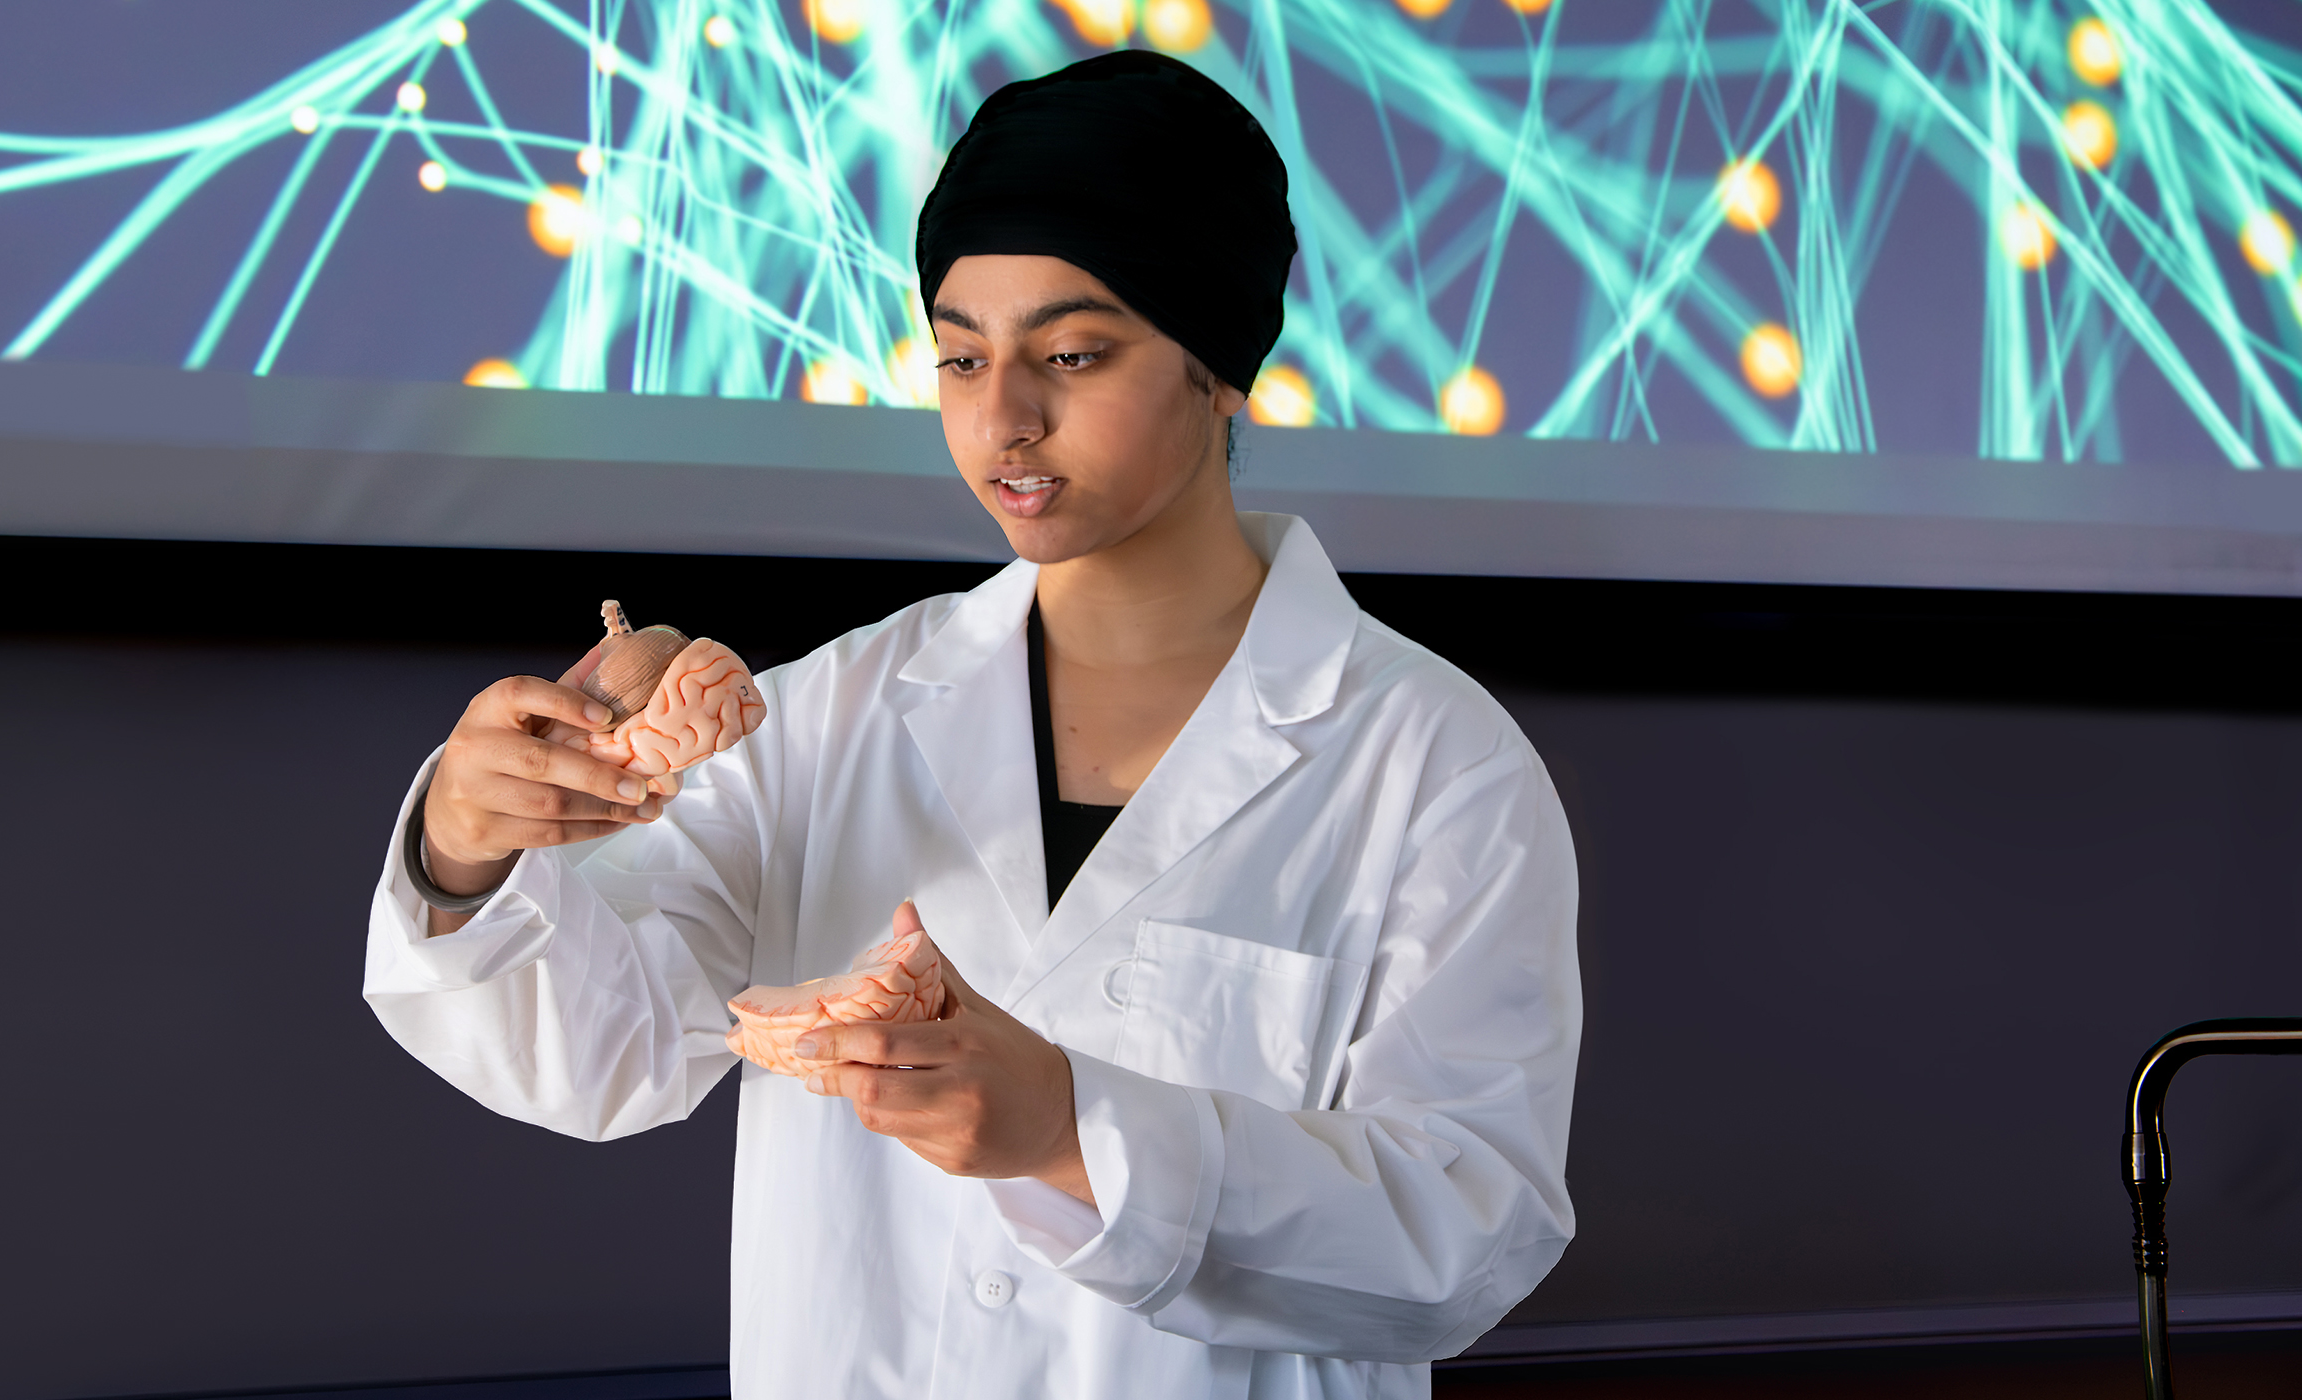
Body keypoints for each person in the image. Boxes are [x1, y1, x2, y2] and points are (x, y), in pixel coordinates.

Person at [365, 51, 1578, 1399]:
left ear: (1222, 368)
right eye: (957, 355)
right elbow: (598, 1055)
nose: (1002, 416)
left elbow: (1467, 1237)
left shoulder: (1432, 767)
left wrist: (1071, 1129)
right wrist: (471, 850)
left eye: (1072, 352)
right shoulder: (833, 715)